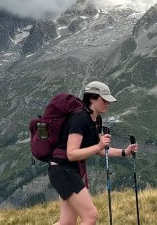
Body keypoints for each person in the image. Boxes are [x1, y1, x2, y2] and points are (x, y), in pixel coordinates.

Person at [49, 81, 139, 225]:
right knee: (91, 216)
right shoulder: (79, 119)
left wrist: (125, 152)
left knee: (67, 222)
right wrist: (98, 146)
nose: (108, 103)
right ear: (92, 98)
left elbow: (101, 149)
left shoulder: (96, 119)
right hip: (63, 170)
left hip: (67, 171)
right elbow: (71, 153)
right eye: (104, 99)